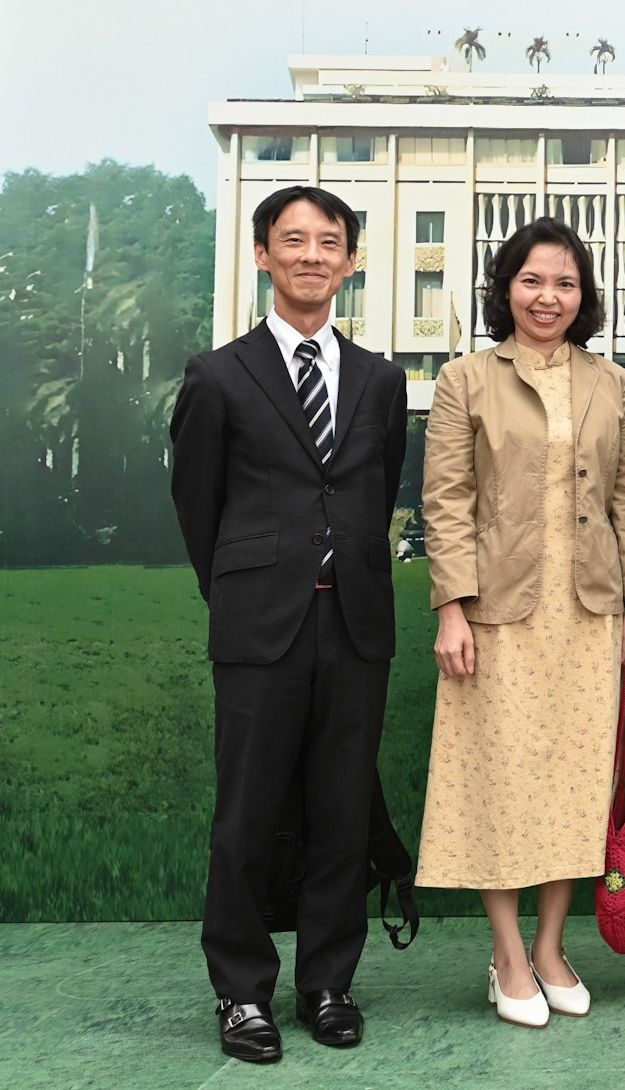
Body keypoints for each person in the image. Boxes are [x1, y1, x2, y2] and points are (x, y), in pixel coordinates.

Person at [170, 185, 409, 1062]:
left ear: (351, 261)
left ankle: (328, 983)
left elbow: (375, 493)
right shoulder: (217, 375)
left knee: (340, 809)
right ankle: (240, 993)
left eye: (330, 241)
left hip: (355, 625)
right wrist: (245, 588)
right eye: (293, 240)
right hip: (259, 628)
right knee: (247, 813)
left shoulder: (382, 380)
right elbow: (200, 508)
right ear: (263, 254)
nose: (313, 254)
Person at [415, 216, 625, 1029]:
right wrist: (451, 607)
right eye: (532, 280)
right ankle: (507, 954)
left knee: (575, 782)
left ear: (583, 296)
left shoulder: (610, 382)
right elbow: (444, 502)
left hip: (589, 613)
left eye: (565, 283)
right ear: (505, 287)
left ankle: (552, 946)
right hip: (498, 617)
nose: (548, 296)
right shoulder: (465, 379)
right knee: (504, 779)